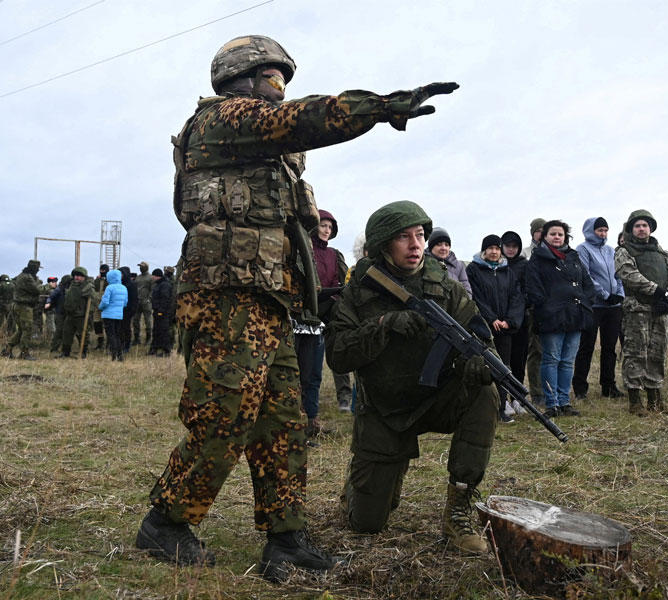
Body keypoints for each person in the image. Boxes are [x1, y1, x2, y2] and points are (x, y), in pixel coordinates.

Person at [135, 34, 458, 581]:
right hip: (227, 298)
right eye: (274, 78)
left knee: (285, 421)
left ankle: (286, 538)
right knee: (224, 414)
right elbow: (303, 119)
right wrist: (378, 107)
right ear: (247, 77)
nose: (280, 90)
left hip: (272, 302)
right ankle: (164, 523)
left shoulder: (271, 156)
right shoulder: (222, 122)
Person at [326, 201, 498, 554]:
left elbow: (480, 336)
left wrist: (480, 363)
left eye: (420, 235)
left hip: (436, 398)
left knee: (486, 391)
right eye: (403, 237)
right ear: (383, 244)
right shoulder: (359, 290)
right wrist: (383, 326)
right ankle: (373, 474)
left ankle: (460, 508)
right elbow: (338, 355)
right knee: (366, 525)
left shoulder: (444, 284)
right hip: (384, 410)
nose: (416, 244)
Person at [615, 210, 668, 414]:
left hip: (660, 312)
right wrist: (658, 292)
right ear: (631, 229)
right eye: (637, 226)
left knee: (657, 353)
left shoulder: (664, 254)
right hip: (637, 310)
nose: (641, 229)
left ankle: (655, 399)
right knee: (635, 353)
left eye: (645, 225)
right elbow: (629, 275)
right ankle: (635, 401)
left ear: (651, 228)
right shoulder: (623, 251)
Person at [525, 220, 594, 418]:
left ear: (565, 237)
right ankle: (551, 403)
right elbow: (533, 289)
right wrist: (547, 307)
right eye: (553, 234)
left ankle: (565, 402)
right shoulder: (537, 259)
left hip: (575, 316)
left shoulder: (573, 257)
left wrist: (585, 303)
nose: (557, 237)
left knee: (567, 361)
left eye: (560, 234)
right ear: (545, 236)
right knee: (551, 359)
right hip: (551, 318)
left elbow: (587, 284)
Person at [294, 209, 348, 432]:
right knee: (298, 372)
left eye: (330, 227)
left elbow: (341, 283)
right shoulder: (303, 250)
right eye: (323, 225)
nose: (327, 230)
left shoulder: (335, 255)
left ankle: (312, 420)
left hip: (323, 317)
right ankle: (295, 421)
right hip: (300, 318)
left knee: (315, 373)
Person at [467, 234, 525, 423]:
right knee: (485, 368)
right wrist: (491, 319)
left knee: (503, 367)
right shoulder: (474, 270)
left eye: (497, 249)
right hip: (484, 328)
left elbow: (517, 297)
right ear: (484, 250)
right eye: (490, 248)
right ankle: (485, 408)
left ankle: (502, 407)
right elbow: (476, 297)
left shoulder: (507, 271)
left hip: (504, 329)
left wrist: (509, 321)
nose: (494, 252)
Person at [572, 217, 625, 400]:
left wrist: (619, 294)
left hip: (613, 307)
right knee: (586, 347)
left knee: (610, 347)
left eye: (605, 230)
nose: (603, 234)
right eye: (599, 230)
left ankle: (608, 386)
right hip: (593, 306)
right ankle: (580, 387)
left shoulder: (611, 251)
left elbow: (618, 275)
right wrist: (605, 295)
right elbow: (586, 276)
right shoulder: (583, 249)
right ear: (590, 231)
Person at [500, 230, 528, 414]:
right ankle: (503, 399)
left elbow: (526, 290)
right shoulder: (497, 265)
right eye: (507, 246)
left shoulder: (524, 265)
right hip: (500, 321)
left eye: (514, 246)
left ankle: (518, 398)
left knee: (519, 359)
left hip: (521, 320)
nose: (511, 250)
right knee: (503, 361)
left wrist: (518, 313)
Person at [524, 218, 546, 403]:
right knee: (536, 350)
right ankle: (537, 393)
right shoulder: (525, 254)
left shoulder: (554, 252)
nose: (541, 233)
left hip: (553, 309)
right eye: (538, 230)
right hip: (534, 309)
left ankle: (550, 390)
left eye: (544, 230)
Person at [2, 260, 42, 360]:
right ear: (35, 268)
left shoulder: (21, 275)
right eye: (37, 269)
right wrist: (47, 286)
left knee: (21, 330)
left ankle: (8, 349)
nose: (38, 271)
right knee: (27, 330)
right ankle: (24, 353)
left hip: (17, 306)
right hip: (24, 307)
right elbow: (37, 290)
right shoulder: (27, 277)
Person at [58, 267, 97, 359]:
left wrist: (91, 310)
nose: (77, 277)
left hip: (81, 315)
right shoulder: (71, 285)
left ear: (84, 277)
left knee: (83, 334)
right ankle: (65, 352)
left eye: (79, 276)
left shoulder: (88, 286)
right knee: (66, 334)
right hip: (70, 314)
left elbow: (94, 299)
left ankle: (83, 352)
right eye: (75, 275)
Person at [424, 227, 472, 297]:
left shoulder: (459, 266)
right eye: (439, 244)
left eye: (446, 245)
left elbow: (467, 291)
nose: (443, 248)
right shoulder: (423, 263)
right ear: (431, 247)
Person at [98, 269, 128, 361]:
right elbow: (125, 303)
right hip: (119, 315)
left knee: (111, 335)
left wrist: (100, 307)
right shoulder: (124, 288)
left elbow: (105, 302)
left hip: (108, 315)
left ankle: (114, 354)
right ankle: (120, 355)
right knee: (117, 334)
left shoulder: (109, 288)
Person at [148, 268, 172, 357]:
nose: (152, 277)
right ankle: (154, 349)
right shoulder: (158, 284)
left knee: (163, 331)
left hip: (162, 312)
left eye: (153, 276)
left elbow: (165, 299)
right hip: (157, 311)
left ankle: (166, 351)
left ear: (157, 276)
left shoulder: (164, 285)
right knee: (156, 331)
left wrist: (160, 311)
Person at [45, 274, 71, 354]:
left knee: (68, 331)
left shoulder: (70, 289)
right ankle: (54, 348)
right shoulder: (59, 289)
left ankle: (65, 348)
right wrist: (48, 303)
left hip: (68, 313)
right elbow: (51, 297)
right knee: (59, 331)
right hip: (60, 313)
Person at [119, 267, 138, 354]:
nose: (120, 276)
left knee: (126, 328)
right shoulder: (120, 284)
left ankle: (127, 345)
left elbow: (134, 299)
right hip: (120, 309)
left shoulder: (131, 284)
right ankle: (121, 343)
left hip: (128, 310)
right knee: (120, 328)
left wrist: (132, 310)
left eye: (122, 274)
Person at [133, 261, 153, 346]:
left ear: (146, 267)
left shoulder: (150, 277)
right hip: (138, 302)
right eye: (140, 266)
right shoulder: (138, 277)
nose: (140, 268)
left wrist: (149, 299)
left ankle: (148, 339)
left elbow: (153, 289)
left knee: (148, 320)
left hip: (146, 302)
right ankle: (136, 338)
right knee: (135, 320)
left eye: (142, 266)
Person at [92, 264, 110, 351]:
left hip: (106, 306)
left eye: (104, 270)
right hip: (96, 305)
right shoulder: (97, 281)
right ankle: (100, 342)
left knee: (107, 324)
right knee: (97, 324)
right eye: (101, 270)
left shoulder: (110, 281)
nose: (102, 272)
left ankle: (109, 343)